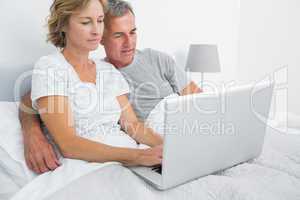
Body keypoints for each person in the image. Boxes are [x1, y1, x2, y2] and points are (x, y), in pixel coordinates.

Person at [19, 0, 201, 174]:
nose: (96, 30)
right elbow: (68, 144)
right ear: (63, 25)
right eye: (85, 22)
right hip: (94, 163)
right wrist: (137, 156)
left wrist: (171, 149)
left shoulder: (107, 70)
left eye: (99, 21)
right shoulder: (51, 67)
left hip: (129, 156)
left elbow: (133, 125)